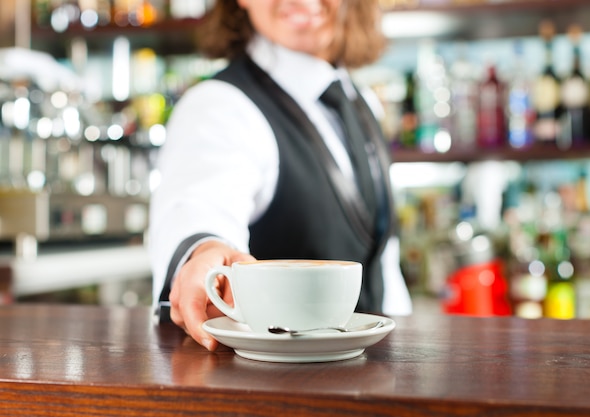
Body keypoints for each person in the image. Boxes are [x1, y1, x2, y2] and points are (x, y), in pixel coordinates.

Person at [149, 0, 412, 351]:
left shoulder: (359, 99)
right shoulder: (218, 106)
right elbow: (197, 206)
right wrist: (205, 250)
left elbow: (382, 260)